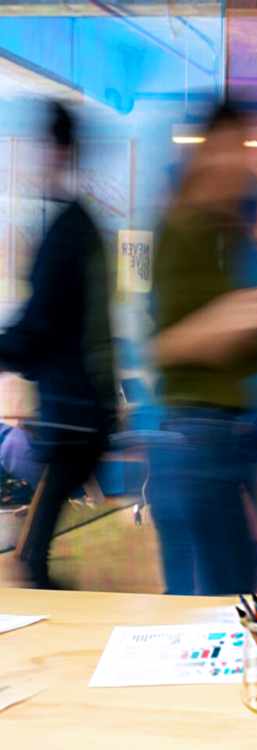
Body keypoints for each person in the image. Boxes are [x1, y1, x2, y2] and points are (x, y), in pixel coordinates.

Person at [149, 103, 257, 595]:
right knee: (210, 607)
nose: (239, 163)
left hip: (239, 436)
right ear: (204, 154)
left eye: (244, 149)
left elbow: (244, 327)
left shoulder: (232, 234)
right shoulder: (181, 230)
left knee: (239, 590)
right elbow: (169, 343)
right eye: (228, 148)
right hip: (196, 442)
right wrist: (250, 315)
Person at [4, 101, 116, 589]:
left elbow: (40, 329)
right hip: (78, 409)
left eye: (36, 147)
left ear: (57, 151)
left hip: (74, 413)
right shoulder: (78, 226)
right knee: (32, 555)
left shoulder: (67, 233)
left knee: (31, 558)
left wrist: (12, 354)